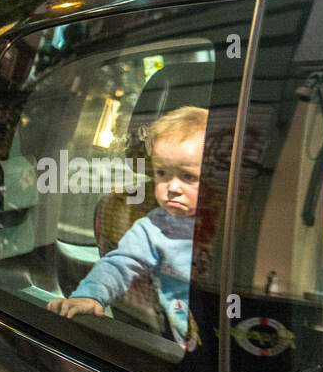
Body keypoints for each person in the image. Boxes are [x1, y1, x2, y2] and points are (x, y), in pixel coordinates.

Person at [48, 105, 205, 349]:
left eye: (188, 176)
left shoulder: (237, 226)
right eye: (162, 173)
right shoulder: (153, 227)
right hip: (174, 341)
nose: (172, 187)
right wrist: (91, 294)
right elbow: (119, 263)